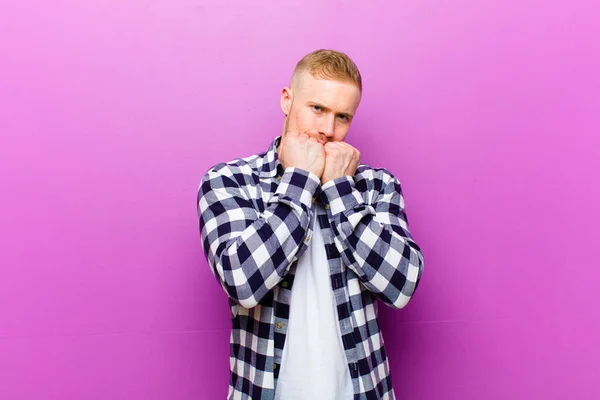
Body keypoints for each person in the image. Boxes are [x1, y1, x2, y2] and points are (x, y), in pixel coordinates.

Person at [197, 49, 424, 400]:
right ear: (287, 100)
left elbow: (401, 285)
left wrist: (340, 190)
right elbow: (242, 281)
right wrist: (301, 179)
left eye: (343, 116)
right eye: (317, 109)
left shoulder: (377, 186)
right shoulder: (230, 181)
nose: (328, 131)